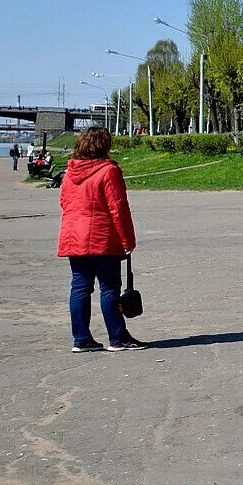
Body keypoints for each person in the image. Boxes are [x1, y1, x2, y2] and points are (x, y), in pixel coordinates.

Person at [56, 127, 145, 351]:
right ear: (104, 145)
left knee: (80, 287)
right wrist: (128, 241)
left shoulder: (69, 172)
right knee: (109, 288)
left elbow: (64, 203)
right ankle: (118, 337)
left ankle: (81, 339)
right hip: (101, 237)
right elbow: (118, 208)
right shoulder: (108, 171)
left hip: (73, 236)